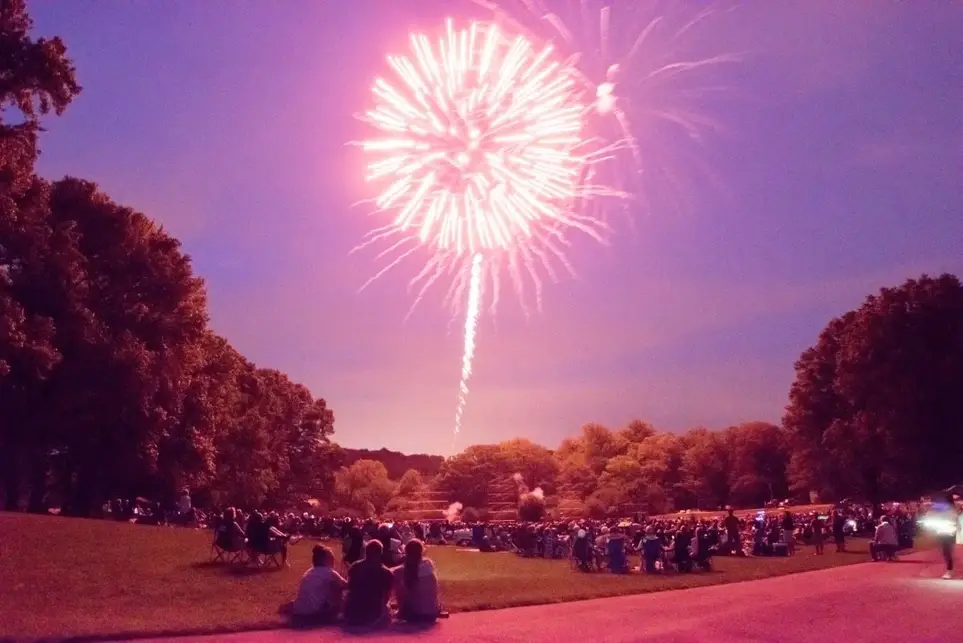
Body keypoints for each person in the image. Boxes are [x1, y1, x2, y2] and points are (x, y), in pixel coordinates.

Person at [289, 545, 347, 626]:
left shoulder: (310, 571)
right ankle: (338, 613)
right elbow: (346, 585)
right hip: (314, 611)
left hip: (299, 610)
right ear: (326, 560)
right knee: (336, 586)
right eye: (331, 557)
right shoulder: (329, 572)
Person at [344, 540, 394, 627]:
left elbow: (349, 587)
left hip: (353, 611)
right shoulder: (386, 572)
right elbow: (386, 597)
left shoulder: (355, 566)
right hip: (373, 613)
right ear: (381, 553)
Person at [392, 539, 440, 622]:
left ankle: (399, 611)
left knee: (398, 583)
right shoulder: (428, 564)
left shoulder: (404, 571)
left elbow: (390, 572)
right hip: (432, 613)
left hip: (415, 615)